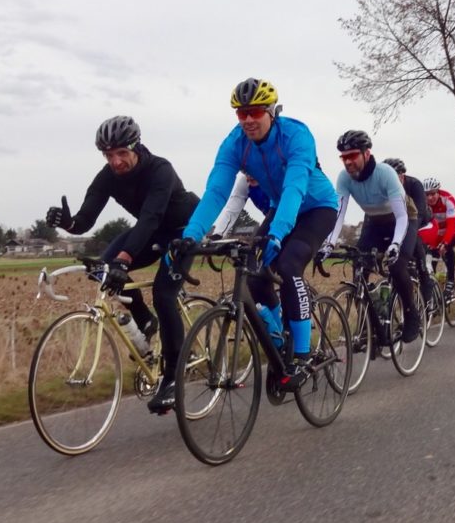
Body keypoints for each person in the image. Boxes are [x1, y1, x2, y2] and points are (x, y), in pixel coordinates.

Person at [181, 79, 339, 391]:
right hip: (281, 208)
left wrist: (277, 233)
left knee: (289, 265)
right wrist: (191, 236)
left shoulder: (296, 135)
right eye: (241, 114)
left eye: (254, 111)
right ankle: (279, 333)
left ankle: (303, 355)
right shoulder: (234, 143)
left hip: (317, 207)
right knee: (254, 278)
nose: (248, 120)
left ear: (270, 111)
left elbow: (295, 187)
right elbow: (217, 191)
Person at [46, 115, 199, 414]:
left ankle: (172, 378)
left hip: (183, 229)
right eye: (108, 155)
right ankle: (145, 319)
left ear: (136, 147)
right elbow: (84, 220)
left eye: (121, 154)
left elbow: (150, 217)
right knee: (102, 270)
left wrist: (125, 259)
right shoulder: (107, 177)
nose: (115, 162)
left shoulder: (160, 170)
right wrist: (67, 223)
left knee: (164, 292)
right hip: (151, 230)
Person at [323, 131, 423, 343]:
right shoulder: (344, 178)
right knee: (359, 266)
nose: (348, 161)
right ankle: (370, 323)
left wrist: (396, 244)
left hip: (403, 219)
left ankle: (411, 313)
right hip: (376, 222)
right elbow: (339, 212)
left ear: (367, 154)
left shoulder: (385, 173)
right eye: (344, 157)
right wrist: (329, 243)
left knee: (397, 266)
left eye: (352, 156)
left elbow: (402, 216)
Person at [383, 157, 437, 310]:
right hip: (400, 223)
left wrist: (408, 234)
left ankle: (427, 286)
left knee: (416, 241)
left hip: (423, 222)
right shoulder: (385, 188)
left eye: (395, 177)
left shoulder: (414, 185)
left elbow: (418, 214)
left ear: (402, 176)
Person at [418, 178, 455, 300]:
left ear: (438, 192)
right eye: (427, 195)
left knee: (447, 247)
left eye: (433, 194)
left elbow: (452, 224)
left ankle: (451, 281)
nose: (430, 198)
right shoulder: (422, 203)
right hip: (438, 229)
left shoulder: (448, 199)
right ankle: (433, 285)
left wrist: (446, 242)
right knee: (430, 254)